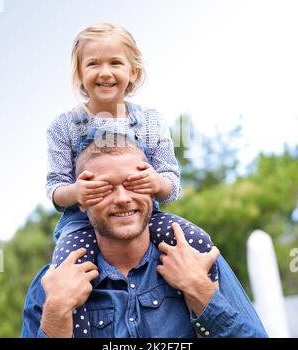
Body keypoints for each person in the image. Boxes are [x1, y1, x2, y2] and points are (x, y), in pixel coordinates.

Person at [46, 22, 218, 336]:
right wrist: (76, 192)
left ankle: (205, 319)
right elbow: (55, 188)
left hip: (141, 217)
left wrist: (157, 183)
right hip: (84, 221)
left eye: (115, 62)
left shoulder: (150, 121)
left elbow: (170, 184)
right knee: (67, 269)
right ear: (80, 74)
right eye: (93, 63)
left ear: (133, 72)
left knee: (193, 238)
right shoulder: (64, 126)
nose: (104, 71)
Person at [22, 141, 267, 338]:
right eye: (104, 188)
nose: (121, 198)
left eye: (134, 184)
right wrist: (55, 313)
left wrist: (201, 292)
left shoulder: (198, 260)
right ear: (82, 202)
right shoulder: (51, 285)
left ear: (152, 191)